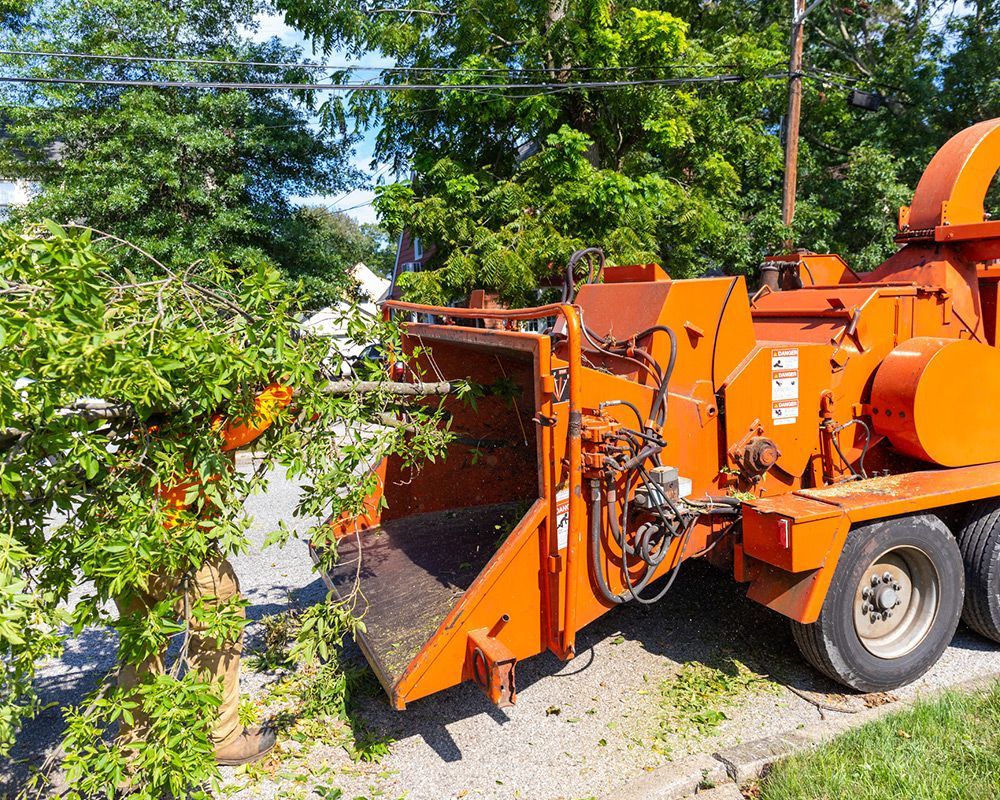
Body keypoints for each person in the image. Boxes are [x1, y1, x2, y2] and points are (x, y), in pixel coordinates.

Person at [116, 384, 293, 765]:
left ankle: (132, 756)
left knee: (142, 642)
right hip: (177, 541)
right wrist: (282, 387)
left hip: (124, 541)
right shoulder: (195, 419)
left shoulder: (128, 403)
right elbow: (243, 425)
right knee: (221, 620)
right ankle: (221, 737)